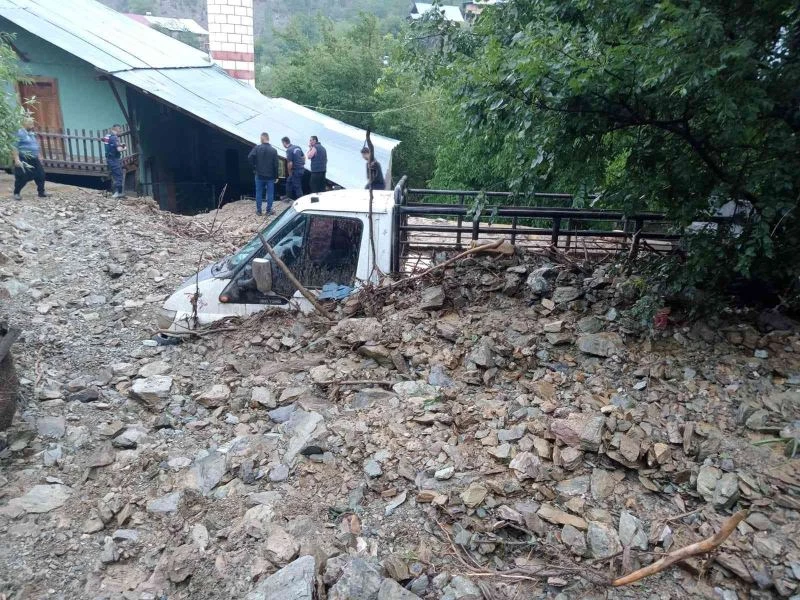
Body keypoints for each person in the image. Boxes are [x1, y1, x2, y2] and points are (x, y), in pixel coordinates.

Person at [11, 117, 49, 201]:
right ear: (25, 124)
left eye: (32, 124)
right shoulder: (19, 133)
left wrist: (39, 156)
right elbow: (14, 147)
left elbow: (35, 145)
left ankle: (41, 192)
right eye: (30, 124)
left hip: (34, 158)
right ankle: (16, 193)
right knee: (23, 176)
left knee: (41, 174)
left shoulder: (31, 133)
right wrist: (17, 159)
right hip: (24, 157)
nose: (32, 126)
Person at [248, 132, 279, 216]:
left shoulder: (257, 148)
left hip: (259, 175)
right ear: (268, 138)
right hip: (270, 176)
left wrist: (255, 166)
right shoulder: (273, 150)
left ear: (262, 139)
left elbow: (250, 157)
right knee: (270, 193)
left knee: (259, 192)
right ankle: (268, 211)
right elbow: (276, 164)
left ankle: (259, 211)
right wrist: (276, 176)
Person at [103, 124, 127, 198]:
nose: (121, 132)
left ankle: (116, 193)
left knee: (115, 175)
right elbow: (119, 149)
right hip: (114, 159)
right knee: (119, 175)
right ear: (116, 129)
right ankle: (117, 193)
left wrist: (119, 144)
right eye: (120, 130)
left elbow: (107, 143)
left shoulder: (107, 136)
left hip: (109, 158)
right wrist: (124, 147)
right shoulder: (114, 138)